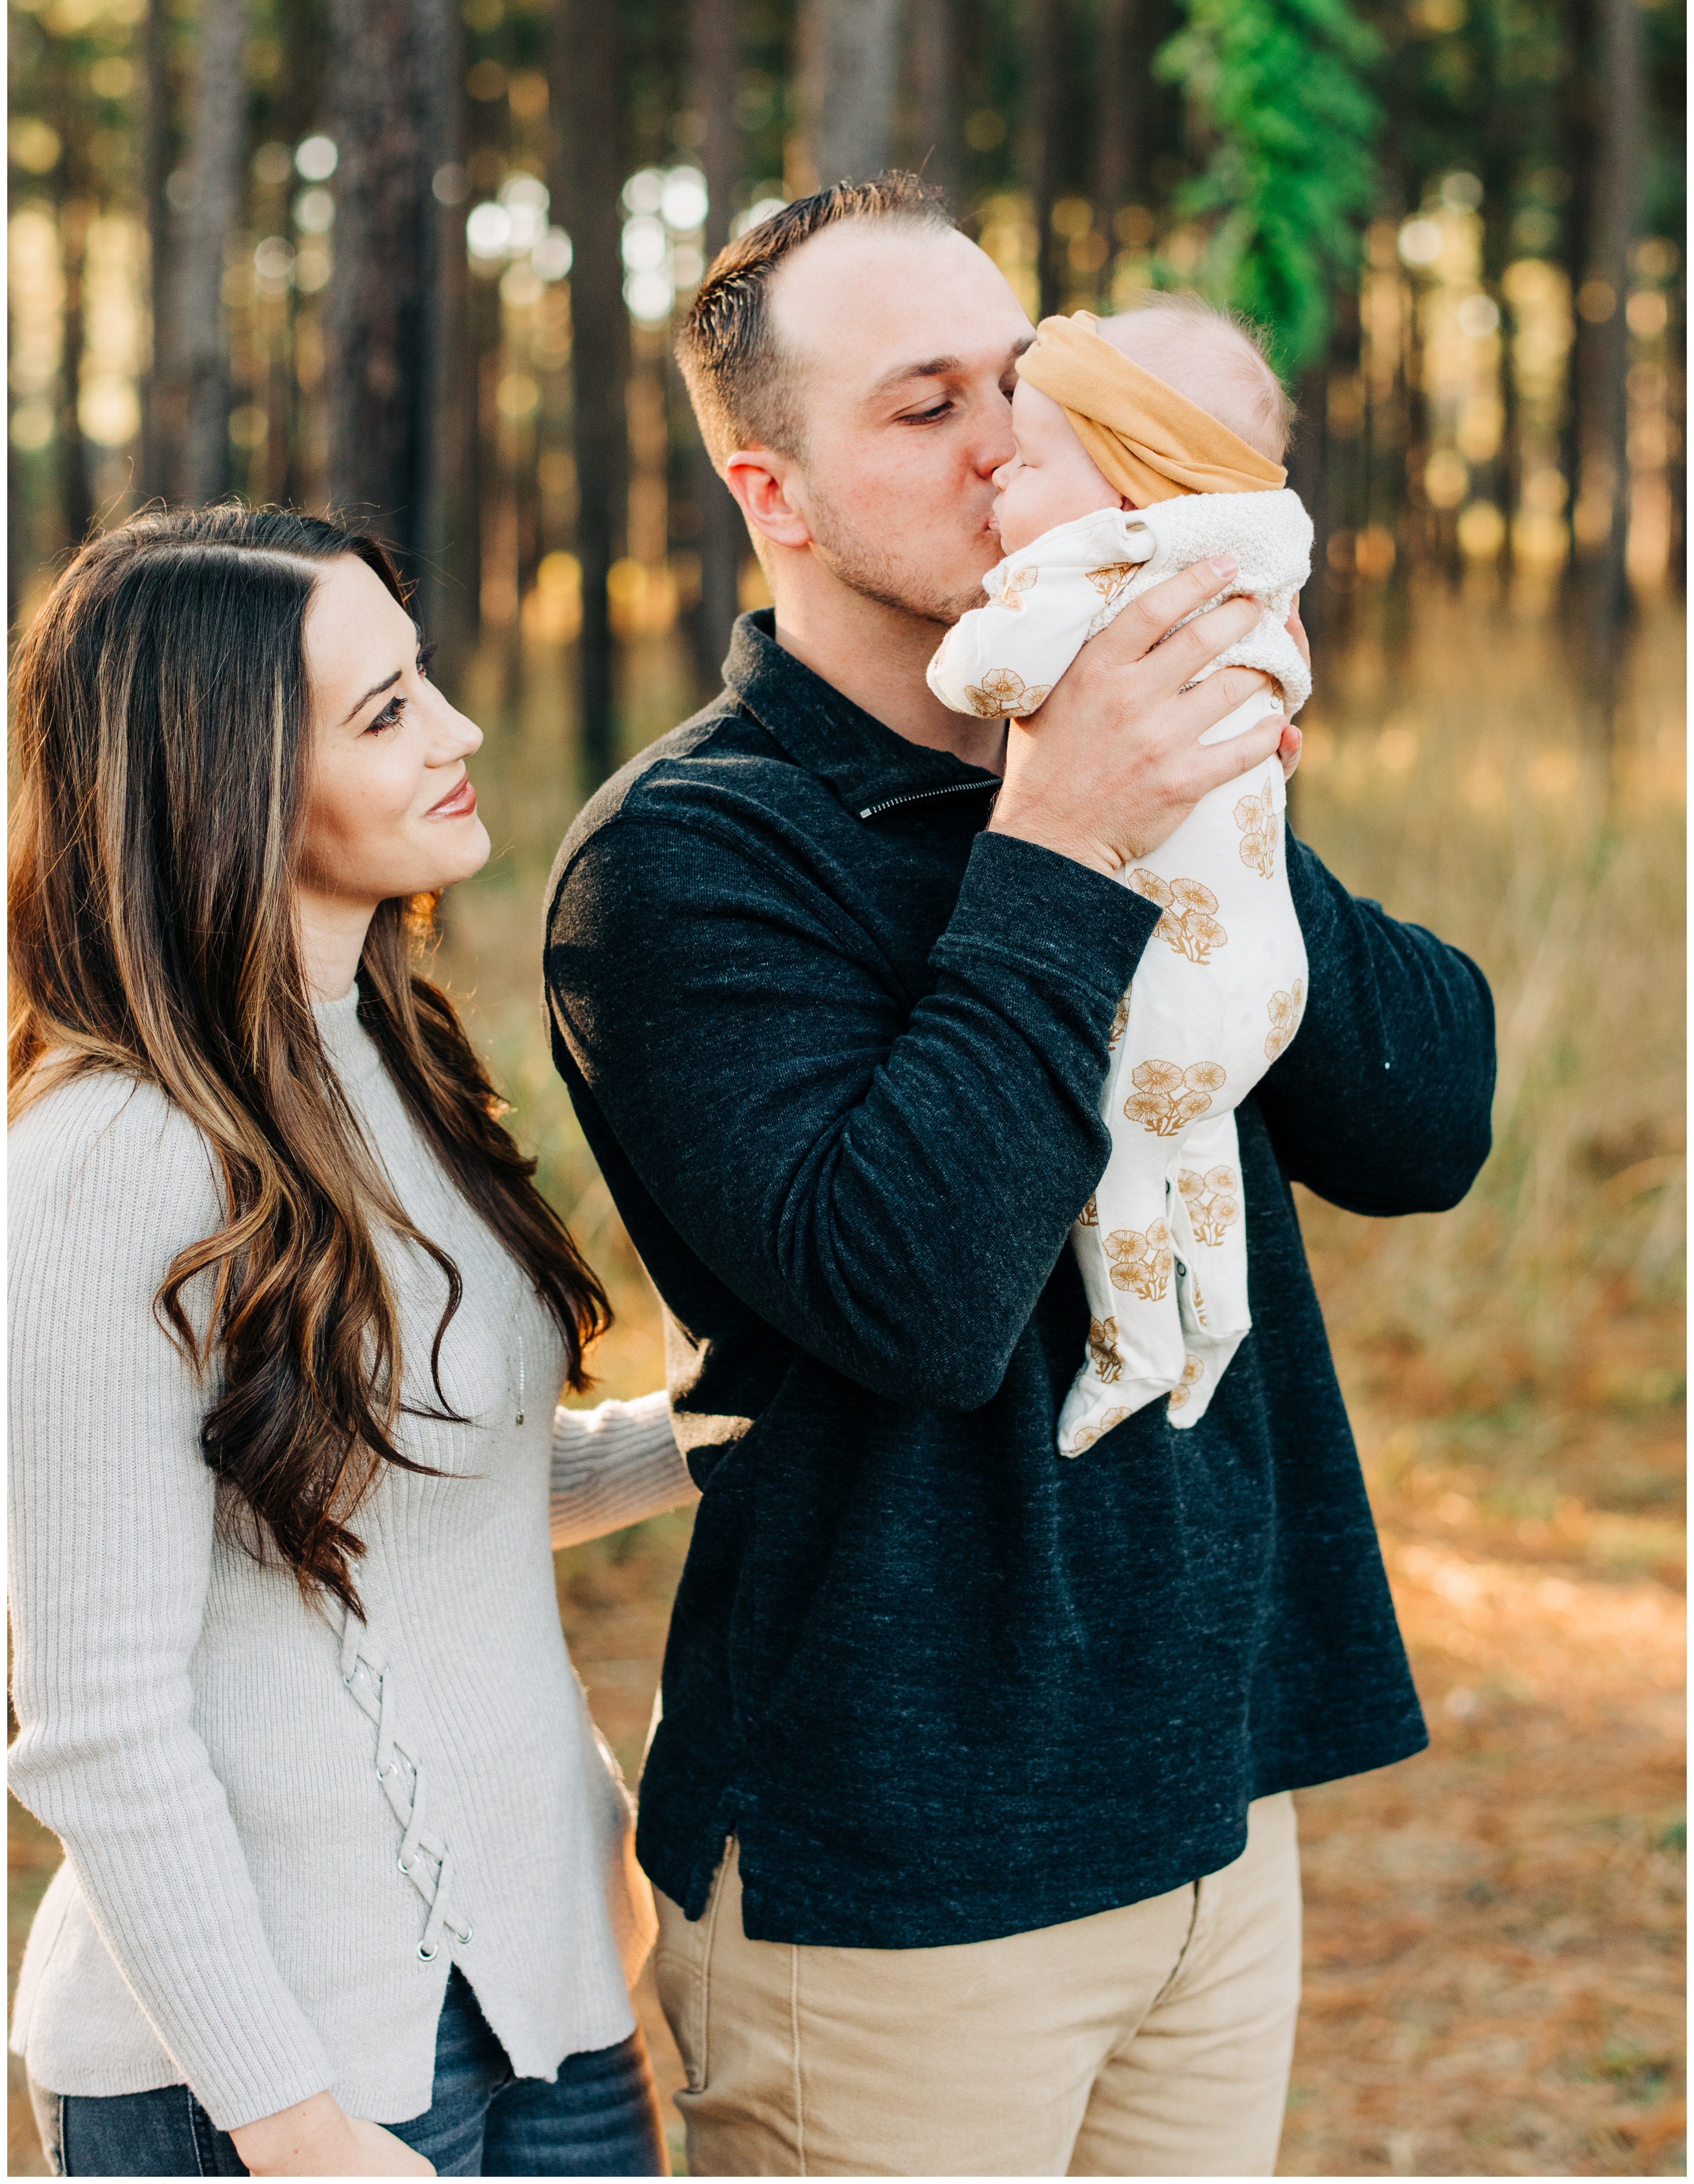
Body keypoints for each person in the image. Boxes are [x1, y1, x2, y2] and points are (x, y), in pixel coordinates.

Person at [544, 175, 1495, 2178]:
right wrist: (1060, 839)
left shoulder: (1133, 729)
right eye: (919, 407)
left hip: (1210, 1783)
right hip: (895, 1853)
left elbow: (1416, 1128)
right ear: (774, 491)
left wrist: (1219, 790)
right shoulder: (689, 856)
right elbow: (916, 1296)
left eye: (1016, 373)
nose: (1008, 446)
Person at [8, 508, 696, 2179]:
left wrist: (699, 1445)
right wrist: (289, 2120)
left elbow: (393, 1501)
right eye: (385, 713)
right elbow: (95, 1715)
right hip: (269, 2065)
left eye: (426, 682)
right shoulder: (103, 1165)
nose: (460, 733)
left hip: (540, 2000)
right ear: (222, 780)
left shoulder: (392, 1051)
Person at [927, 300, 1314, 1452]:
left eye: (1030, 454)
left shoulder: (1108, 571)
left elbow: (974, 678)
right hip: (1268, 975)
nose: (996, 460)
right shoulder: (1252, 579)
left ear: (1133, 486)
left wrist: (990, 615)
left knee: (1117, 1168)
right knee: (1202, 1145)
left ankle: (1137, 1354)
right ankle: (1223, 1331)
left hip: (1179, 986)